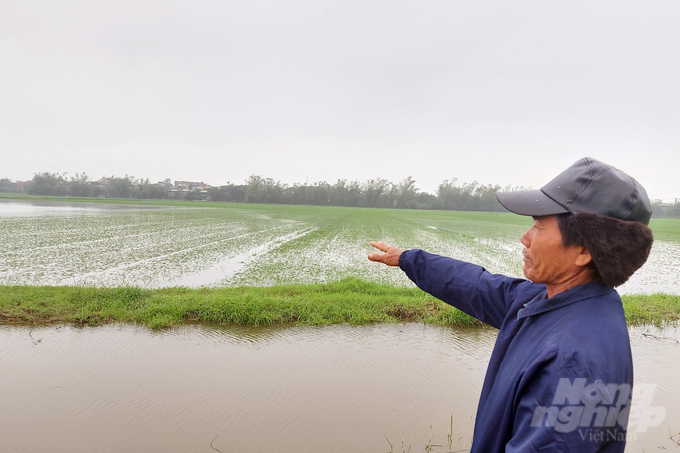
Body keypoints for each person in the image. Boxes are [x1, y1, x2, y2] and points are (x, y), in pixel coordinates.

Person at [368, 157, 654, 452]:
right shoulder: (555, 300)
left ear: (583, 251)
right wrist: (407, 259)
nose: (525, 238)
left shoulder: (571, 364)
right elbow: (477, 286)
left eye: (539, 228)